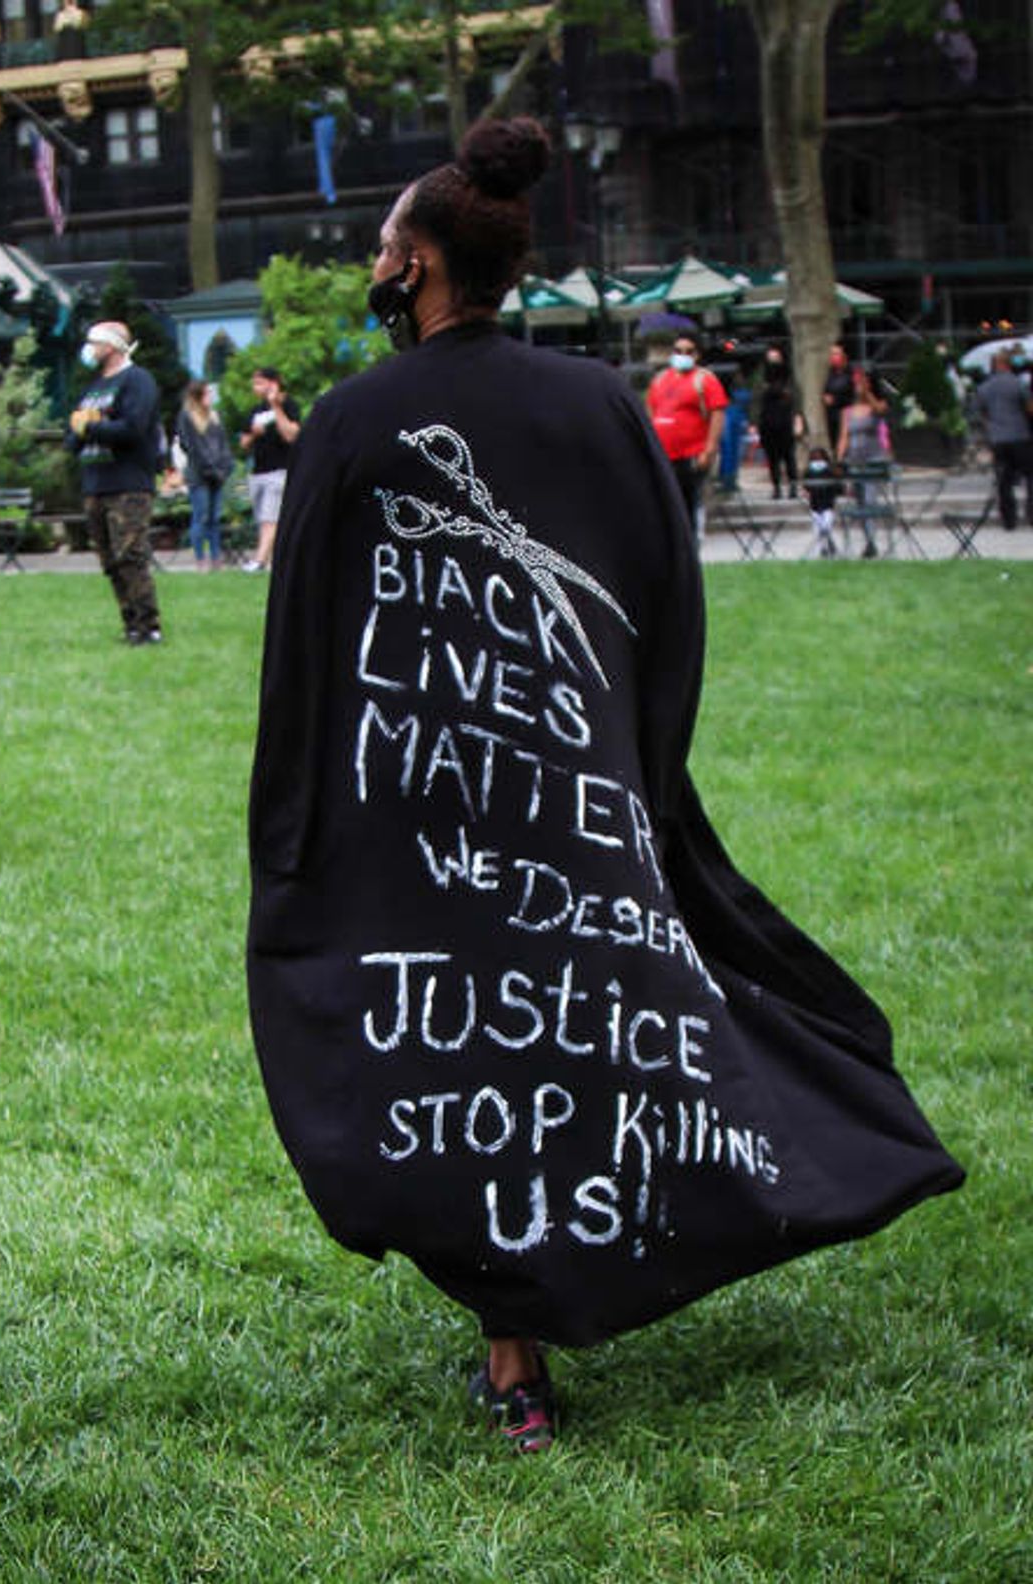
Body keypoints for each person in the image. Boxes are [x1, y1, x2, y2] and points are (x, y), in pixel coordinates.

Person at [246, 117, 962, 1456]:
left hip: (412, 805)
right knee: (555, 1030)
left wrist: (295, 822)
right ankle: (529, 1320)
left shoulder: (349, 422)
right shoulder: (600, 407)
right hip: (575, 790)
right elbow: (664, 601)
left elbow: (304, 647)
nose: (372, 265)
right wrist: (639, 766)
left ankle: (516, 1350)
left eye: (379, 250)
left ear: (411, 264)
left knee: (461, 1043)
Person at [68, 320, 164, 644]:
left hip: (129, 484)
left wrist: (92, 427)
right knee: (109, 561)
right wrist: (80, 431)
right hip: (95, 483)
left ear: (110, 346)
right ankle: (130, 623)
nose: (89, 349)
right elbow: (74, 437)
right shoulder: (93, 388)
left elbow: (133, 427)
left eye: (94, 342)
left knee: (131, 556)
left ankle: (149, 625)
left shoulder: (138, 381)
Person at [645, 332, 727, 541]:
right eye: (678, 351)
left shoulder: (704, 380)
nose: (683, 355)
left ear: (697, 354)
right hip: (664, 454)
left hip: (691, 455)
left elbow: (717, 413)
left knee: (688, 503)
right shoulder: (660, 379)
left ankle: (690, 546)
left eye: (688, 351)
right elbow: (651, 412)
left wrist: (709, 450)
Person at [238, 367, 301, 572]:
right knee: (264, 519)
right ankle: (275, 561)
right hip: (259, 471)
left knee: (270, 517)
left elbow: (292, 435)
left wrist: (276, 407)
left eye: (260, 382)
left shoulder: (288, 405)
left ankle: (258, 560)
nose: (256, 387)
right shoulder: (255, 411)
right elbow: (243, 443)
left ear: (273, 383)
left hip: (280, 471)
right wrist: (254, 434)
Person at [174, 379, 234, 570]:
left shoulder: (215, 417)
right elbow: (191, 447)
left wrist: (225, 467)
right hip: (199, 475)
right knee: (201, 516)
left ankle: (216, 558)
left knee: (214, 518)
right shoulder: (187, 417)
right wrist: (209, 468)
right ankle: (200, 559)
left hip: (218, 474)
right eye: (207, 393)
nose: (211, 397)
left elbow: (223, 444)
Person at [973, 350, 1033, 530]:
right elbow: (1029, 408)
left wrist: (989, 426)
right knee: (1030, 476)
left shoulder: (984, 387)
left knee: (1003, 481)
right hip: (1020, 435)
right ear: (1009, 364)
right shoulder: (1018, 384)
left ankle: (1009, 520)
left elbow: (978, 411)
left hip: (998, 438)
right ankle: (1031, 514)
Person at [836, 364, 889, 558]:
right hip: (855, 461)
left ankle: (872, 541)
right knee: (859, 503)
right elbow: (844, 436)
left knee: (869, 499)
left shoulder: (876, 406)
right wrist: (839, 459)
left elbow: (880, 410)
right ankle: (868, 540)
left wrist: (867, 392)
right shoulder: (848, 411)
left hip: (873, 458)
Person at [756, 344, 798, 499]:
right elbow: (757, 401)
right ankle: (776, 487)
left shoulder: (789, 379)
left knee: (788, 455)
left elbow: (795, 398)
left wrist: (797, 418)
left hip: (785, 420)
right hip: (768, 421)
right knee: (772, 456)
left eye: (776, 358)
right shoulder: (761, 379)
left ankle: (793, 485)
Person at [801, 444, 844, 557]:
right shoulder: (809, 472)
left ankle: (827, 544)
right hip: (815, 504)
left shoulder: (830, 471)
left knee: (825, 525)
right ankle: (823, 547)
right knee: (818, 526)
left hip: (827, 503)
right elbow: (806, 487)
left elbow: (838, 487)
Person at [822, 343, 854, 451]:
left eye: (836, 354)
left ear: (845, 356)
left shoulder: (852, 374)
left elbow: (854, 396)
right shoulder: (831, 373)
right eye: (831, 354)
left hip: (847, 417)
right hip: (832, 418)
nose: (832, 357)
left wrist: (835, 400)